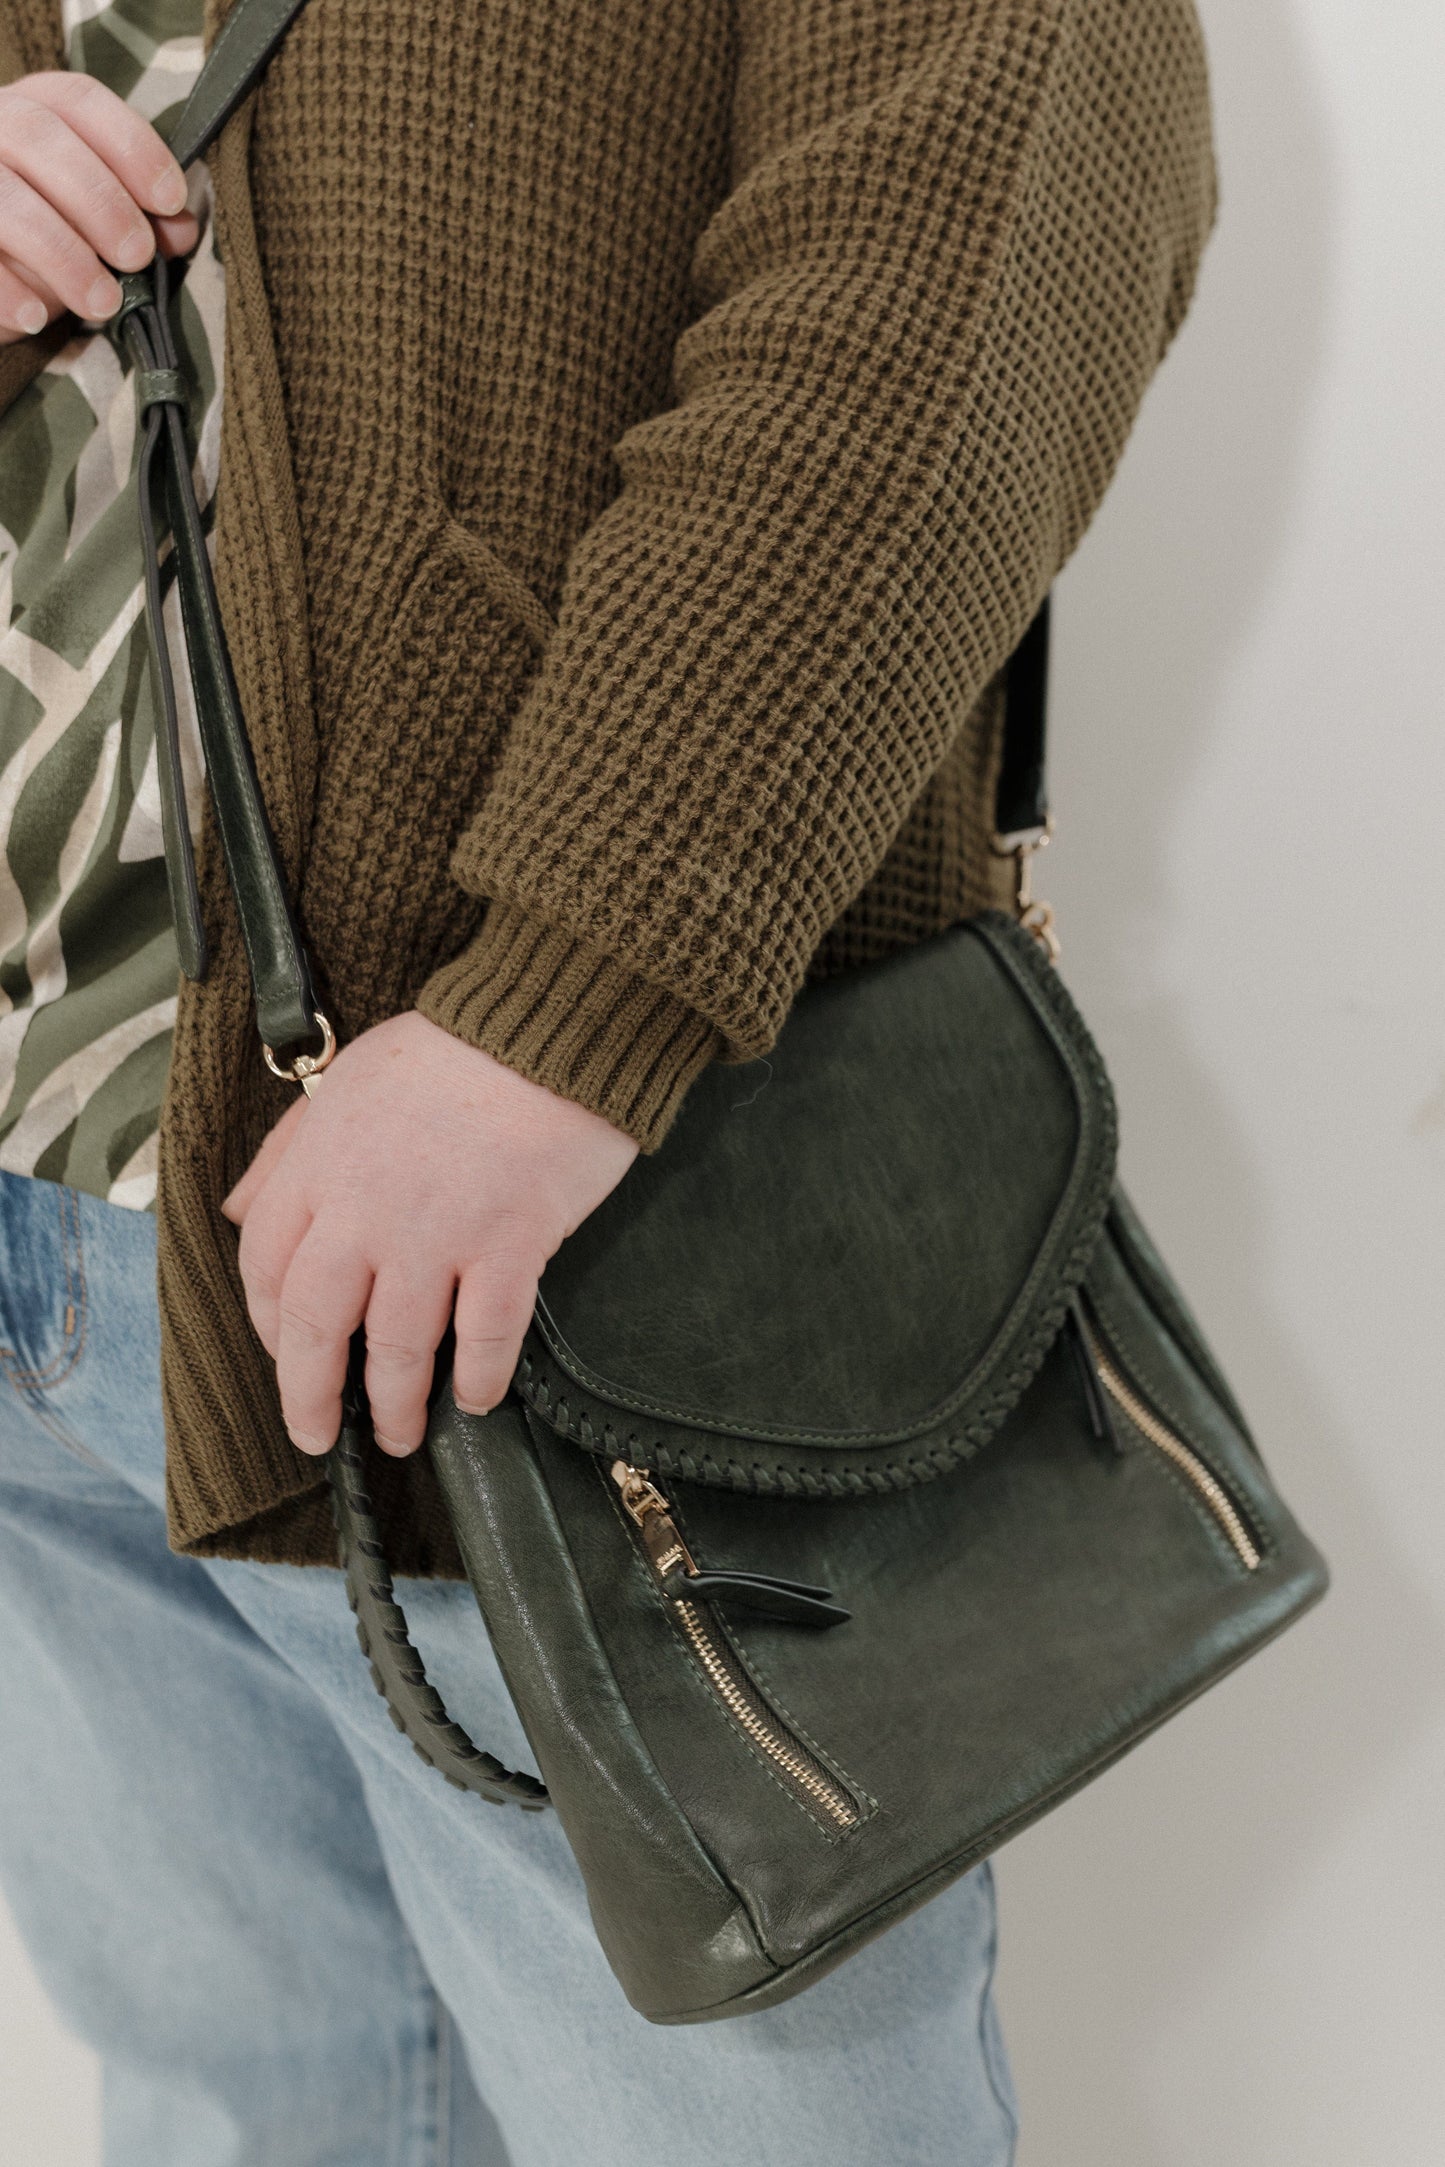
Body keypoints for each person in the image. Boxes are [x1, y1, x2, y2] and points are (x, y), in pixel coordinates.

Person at [0, 1, 1216, 2159]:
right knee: (240, 2100)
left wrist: (568, 1000)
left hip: (530, 1242)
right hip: (51, 1213)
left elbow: (957, 270)